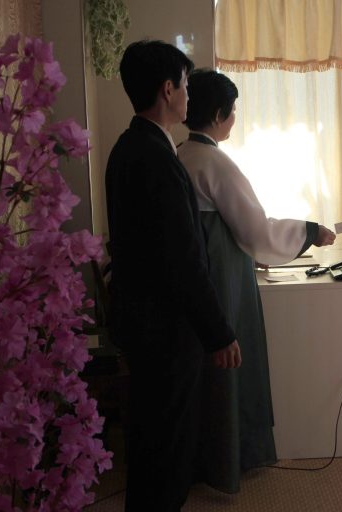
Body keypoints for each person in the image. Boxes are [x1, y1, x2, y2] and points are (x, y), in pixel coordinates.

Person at [176, 69, 336, 493]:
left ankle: (200, 460)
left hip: (197, 278)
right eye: (233, 111)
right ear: (218, 113)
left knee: (202, 373)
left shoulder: (180, 154)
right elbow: (258, 233)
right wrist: (309, 231)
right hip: (222, 278)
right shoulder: (214, 162)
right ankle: (228, 459)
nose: (233, 118)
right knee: (228, 364)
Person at [105, 40, 241, 511]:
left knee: (153, 444)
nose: (189, 95)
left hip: (144, 322)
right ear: (168, 89)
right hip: (163, 328)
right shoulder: (154, 157)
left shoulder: (131, 147)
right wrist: (218, 332)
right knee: (166, 447)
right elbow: (182, 258)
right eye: (184, 85)